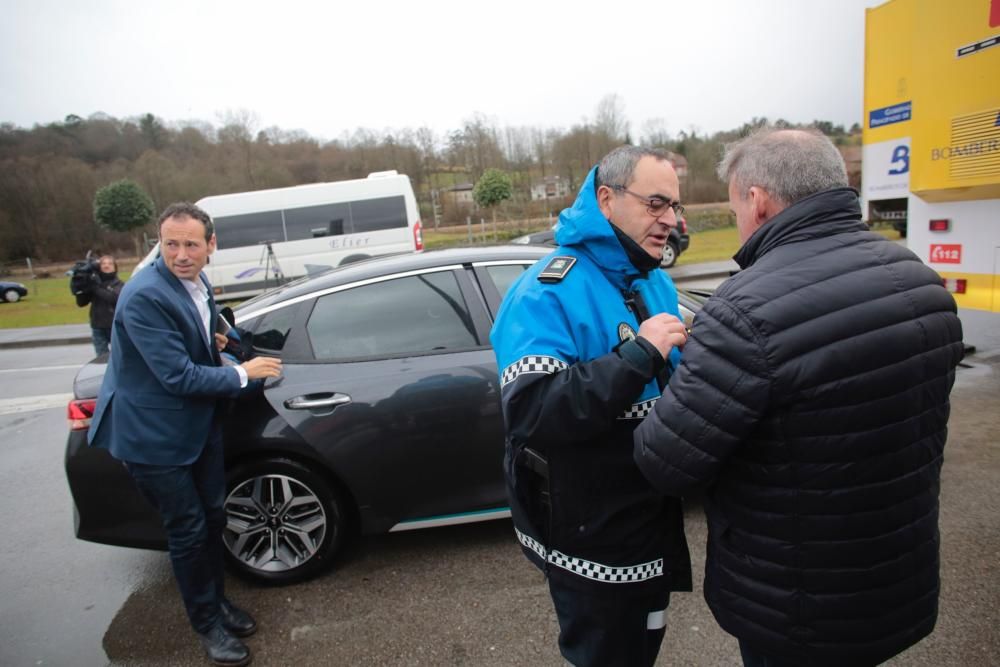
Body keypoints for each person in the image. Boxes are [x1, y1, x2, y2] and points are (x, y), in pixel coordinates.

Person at [633, 128, 965, 667]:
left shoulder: (743, 312)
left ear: (757, 200)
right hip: (895, 579)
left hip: (796, 607)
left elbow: (666, 462)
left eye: (737, 203)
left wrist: (666, 364)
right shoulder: (921, 284)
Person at [491, 145, 692, 667]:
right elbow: (533, 413)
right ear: (606, 199)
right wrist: (640, 353)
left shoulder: (655, 280)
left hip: (651, 528)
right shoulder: (543, 292)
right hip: (591, 543)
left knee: (645, 646)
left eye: (673, 205)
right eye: (655, 203)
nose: (669, 220)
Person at [88, 202, 283, 667]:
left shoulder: (197, 282)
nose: (180, 254)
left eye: (191, 244)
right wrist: (244, 372)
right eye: (170, 244)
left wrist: (216, 340)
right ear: (159, 243)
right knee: (189, 530)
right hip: (154, 437)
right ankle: (207, 625)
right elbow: (177, 377)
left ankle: (216, 603)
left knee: (213, 518)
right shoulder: (144, 296)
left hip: (196, 427)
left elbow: (196, 329)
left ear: (210, 245)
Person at [73, 254, 124, 356]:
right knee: (101, 357)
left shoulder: (119, 284)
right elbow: (81, 303)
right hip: (98, 326)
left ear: (115, 267)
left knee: (119, 356)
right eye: (103, 263)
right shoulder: (94, 283)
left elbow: (113, 298)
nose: (106, 266)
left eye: (110, 264)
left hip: (114, 326)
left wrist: (95, 288)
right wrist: (80, 289)